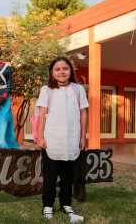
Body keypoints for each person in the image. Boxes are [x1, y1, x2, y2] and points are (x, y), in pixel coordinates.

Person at [36, 56, 89, 222]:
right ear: (51, 72)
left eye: (65, 68)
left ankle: (66, 204)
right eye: (57, 69)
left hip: (72, 139)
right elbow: (42, 113)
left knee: (68, 176)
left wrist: (82, 137)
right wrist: (40, 136)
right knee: (50, 177)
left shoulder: (78, 89)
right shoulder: (47, 90)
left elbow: (83, 113)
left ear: (70, 71)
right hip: (52, 139)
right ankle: (48, 205)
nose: (61, 72)